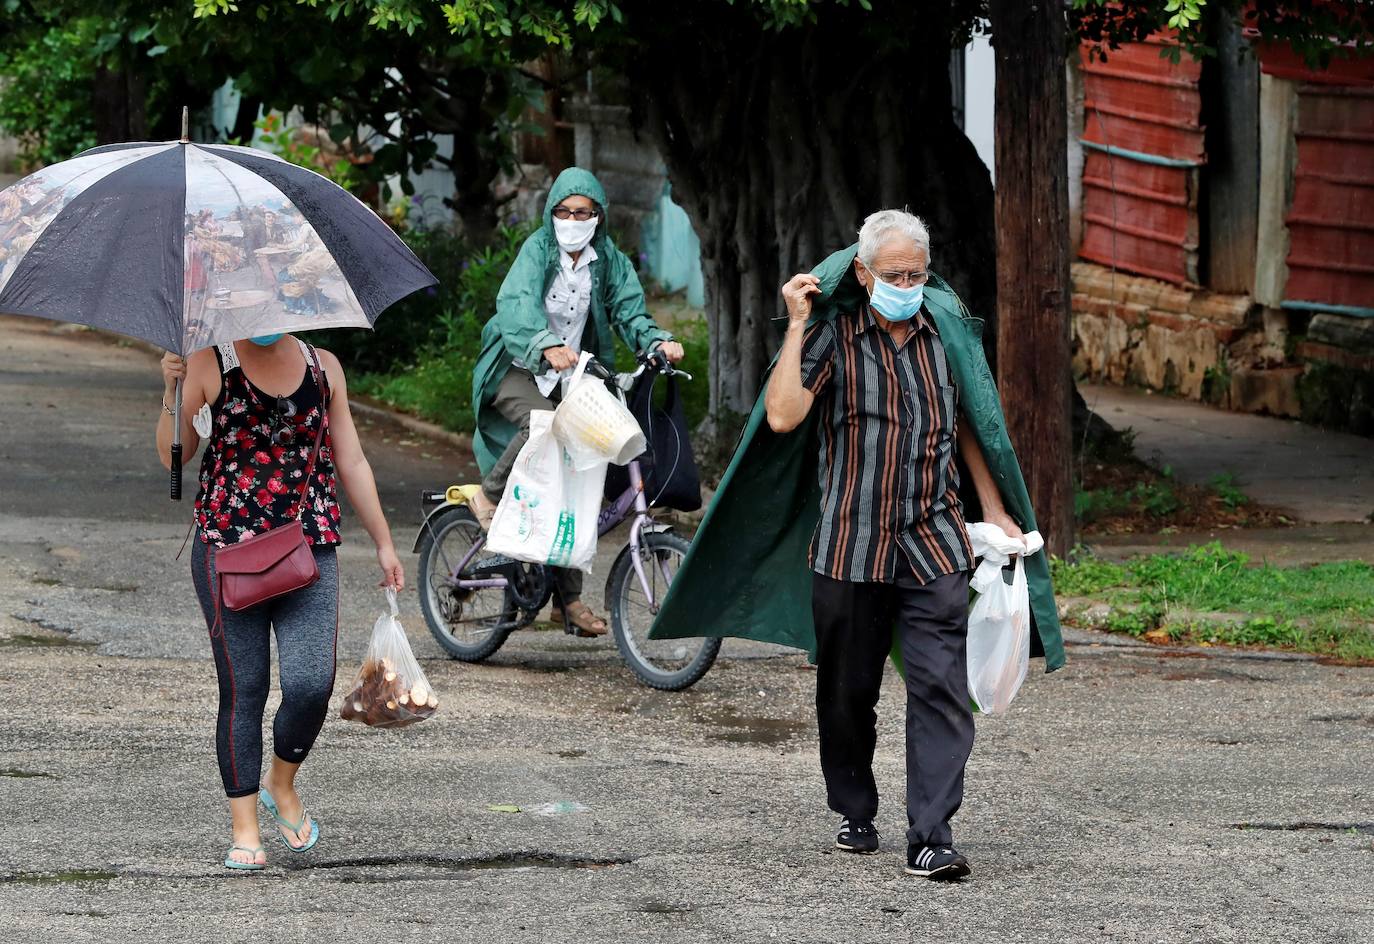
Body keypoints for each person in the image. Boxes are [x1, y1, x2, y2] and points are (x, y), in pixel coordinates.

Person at [649, 209, 1065, 881]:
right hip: (851, 546)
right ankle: (854, 806)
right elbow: (784, 414)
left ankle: (931, 836)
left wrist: (992, 506)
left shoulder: (944, 336)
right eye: (895, 274)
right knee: (848, 693)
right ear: (865, 274)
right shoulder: (836, 337)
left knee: (941, 689)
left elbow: (966, 422)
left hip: (934, 542)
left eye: (918, 273)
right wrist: (797, 324)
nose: (908, 284)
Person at [157, 332, 404, 871]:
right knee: (244, 689)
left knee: (312, 685)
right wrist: (172, 389)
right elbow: (171, 453)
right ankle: (244, 828)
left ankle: (281, 780)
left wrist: (385, 542)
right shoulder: (207, 363)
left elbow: (353, 461)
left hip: (308, 547)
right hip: (227, 549)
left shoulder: (324, 367)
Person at [466, 167, 683, 637]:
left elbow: (631, 312)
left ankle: (568, 603)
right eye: (563, 211)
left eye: (582, 212)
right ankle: (488, 493)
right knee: (543, 423)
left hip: (574, 375)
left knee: (582, 470)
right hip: (517, 368)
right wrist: (544, 343)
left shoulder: (608, 260)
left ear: (598, 217)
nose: (572, 219)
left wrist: (657, 342)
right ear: (551, 213)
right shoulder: (536, 251)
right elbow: (516, 304)